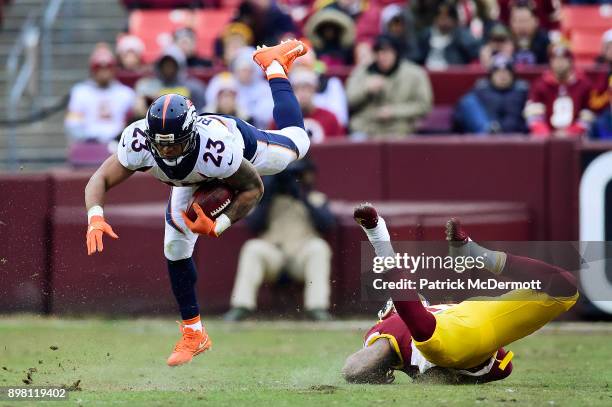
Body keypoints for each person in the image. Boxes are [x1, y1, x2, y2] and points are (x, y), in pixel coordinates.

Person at [84, 39, 310, 367]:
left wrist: (220, 224)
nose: (166, 151)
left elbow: (253, 189)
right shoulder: (139, 141)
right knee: (175, 246)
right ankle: (194, 333)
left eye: (174, 144)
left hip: (240, 148)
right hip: (191, 180)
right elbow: (100, 179)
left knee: (299, 142)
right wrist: (95, 215)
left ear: (189, 136)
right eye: (160, 144)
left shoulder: (218, 149)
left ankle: (274, 65)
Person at [343, 203, 578, 384]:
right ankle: (379, 238)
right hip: (450, 341)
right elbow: (354, 369)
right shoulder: (389, 330)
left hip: (474, 317)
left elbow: (503, 368)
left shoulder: (433, 312)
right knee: (422, 328)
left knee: (565, 288)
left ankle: (474, 252)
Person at [224, 159, 335, 322]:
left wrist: (300, 195)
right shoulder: (265, 201)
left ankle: (317, 308)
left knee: (319, 248)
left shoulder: (316, 198)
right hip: (274, 254)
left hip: (301, 256)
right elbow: (254, 225)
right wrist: (268, 193)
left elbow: (326, 224)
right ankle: (242, 306)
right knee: (252, 248)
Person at [346, 35, 432, 138]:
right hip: (366, 128)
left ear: (396, 53)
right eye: (378, 52)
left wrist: (394, 111)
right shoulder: (361, 72)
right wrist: (366, 89)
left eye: (387, 52)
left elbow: (424, 106)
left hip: (401, 129)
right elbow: (348, 102)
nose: (382, 56)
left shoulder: (415, 74)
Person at [65, 44, 135, 145]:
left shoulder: (126, 93)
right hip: (88, 143)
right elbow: (72, 123)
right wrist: (86, 139)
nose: (104, 72)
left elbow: (133, 121)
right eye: (99, 68)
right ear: (92, 70)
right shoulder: (80, 92)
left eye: (108, 67)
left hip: (118, 143)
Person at [524, 43, 594, 138]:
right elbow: (533, 116)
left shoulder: (583, 84)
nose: (559, 63)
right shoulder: (540, 84)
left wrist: (571, 132)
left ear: (570, 62)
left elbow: (588, 114)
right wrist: (546, 135)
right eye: (555, 59)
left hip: (577, 138)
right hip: (546, 138)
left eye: (563, 59)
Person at [453, 55, 528, 134]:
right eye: (498, 73)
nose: (502, 76)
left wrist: (501, 128)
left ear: (512, 76)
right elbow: (463, 115)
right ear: (491, 75)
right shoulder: (481, 89)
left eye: (506, 73)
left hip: (513, 134)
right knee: (468, 101)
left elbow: (516, 119)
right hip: (483, 133)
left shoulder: (520, 91)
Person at [133, 45, 207, 117]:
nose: (168, 68)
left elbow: (201, 112)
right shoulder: (148, 87)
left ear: (180, 66)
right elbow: (139, 111)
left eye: (172, 65)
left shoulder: (195, 87)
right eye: (165, 65)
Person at [415, 0, 480, 70]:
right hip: (427, 74)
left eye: (448, 18)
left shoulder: (462, 36)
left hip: (453, 75)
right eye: (441, 18)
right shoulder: (425, 36)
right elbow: (416, 57)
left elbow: (475, 54)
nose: (444, 22)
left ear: (455, 20)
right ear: (435, 19)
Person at [288, 68, 344, 142]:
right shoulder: (282, 119)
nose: (303, 93)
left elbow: (340, 147)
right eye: (297, 88)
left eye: (308, 88)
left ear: (315, 89)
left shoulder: (330, 118)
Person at [229, 47, 275, 128]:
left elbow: (267, 113)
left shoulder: (264, 88)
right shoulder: (228, 84)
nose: (245, 74)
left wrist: (248, 115)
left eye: (248, 70)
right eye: (242, 70)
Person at [509, 2, 550, 66]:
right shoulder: (504, 40)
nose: (521, 25)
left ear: (536, 21)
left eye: (525, 21)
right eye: (517, 21)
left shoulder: (545, 41)